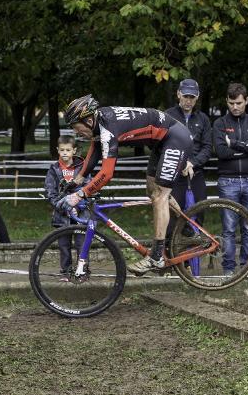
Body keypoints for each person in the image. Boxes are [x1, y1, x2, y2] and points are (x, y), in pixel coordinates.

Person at [59, 94, 193, 275]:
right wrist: (78, 179)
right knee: (152, 192)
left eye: (77, 128)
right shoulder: (99, 122)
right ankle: (185, 227)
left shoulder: (108, 129)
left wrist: (79, 195)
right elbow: (95, 149)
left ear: (89, 120)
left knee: (160, 195)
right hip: (161, 143)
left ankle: (156, 257)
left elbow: (106, 174)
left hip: (174, 138)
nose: (77, 133)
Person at [213, 82, 248, 274]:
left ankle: (247, 269)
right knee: (228, 228)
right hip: (228, 181)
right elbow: (221, 152)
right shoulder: (219, 124)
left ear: (246, 101)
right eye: (232, 103)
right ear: (227, 101)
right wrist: (246, 149)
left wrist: (234, 143)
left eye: (239, 103)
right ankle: (228, 270)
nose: (235, 107)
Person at [165, 79, 212, 232]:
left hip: (196, 175)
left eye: (192, 97)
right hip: (174, 177)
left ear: (197, 97)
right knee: (173, 220)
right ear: (178, 94)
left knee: (197, 219)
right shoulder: (167, 116)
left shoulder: (203, 119)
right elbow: (160, 145)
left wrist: (192, 162)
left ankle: (194, 255)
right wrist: (180, 163)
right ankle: (173, 254)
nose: (188, 100)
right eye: (185, 96)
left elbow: (207, 147)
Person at [45, 135, 90, 277]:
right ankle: (66, 271)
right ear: (58, 150)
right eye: (62, 150)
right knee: (64, 245)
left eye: (68, 150)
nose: (65, 153)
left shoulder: (83, 168)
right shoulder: (53, 169)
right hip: (61, 216)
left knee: (81, 244)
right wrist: (64, 206)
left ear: (74, 151)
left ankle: (82, 271)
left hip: (81, 215)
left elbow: (89, 189)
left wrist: (78, 206)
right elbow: (50, 192)